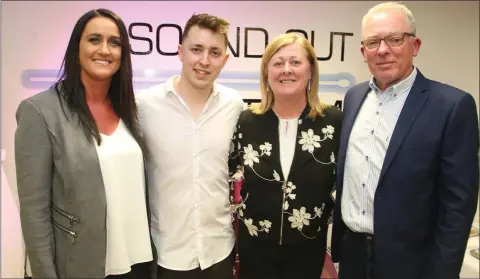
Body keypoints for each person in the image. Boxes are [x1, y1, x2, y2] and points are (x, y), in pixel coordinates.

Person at [331, 2, 480, 279]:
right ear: (363, 52)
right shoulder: (353, 97)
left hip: (413, 263)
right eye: (373, 42)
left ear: (416, 45)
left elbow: (458, 205)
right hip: (353, 257)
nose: (383, 50)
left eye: (395, 39)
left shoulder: (452, 106)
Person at [15, 8, 156, 279]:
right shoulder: (40, 111)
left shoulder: (129, 109)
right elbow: (34, 212)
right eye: (94, 40)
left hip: (137, 263)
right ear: (76, 47)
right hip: (82, 265)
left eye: (114, 43)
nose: (105, 50)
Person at [136, 14, 244, 279]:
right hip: (166, 254)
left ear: (225, 60)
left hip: (219, 251)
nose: (204, 61)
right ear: (180, 52)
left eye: (215, 52)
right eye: (196, 49)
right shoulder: (144, 106)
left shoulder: (235, 105)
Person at [228, 33, 343, 279]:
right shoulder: (247, 121)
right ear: (266, 72)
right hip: (255, 253)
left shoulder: (333, 122)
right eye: (278, 63)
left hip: (309, 254)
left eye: (295, 62)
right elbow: (226, 173)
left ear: (311, 70)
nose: (286, 70)